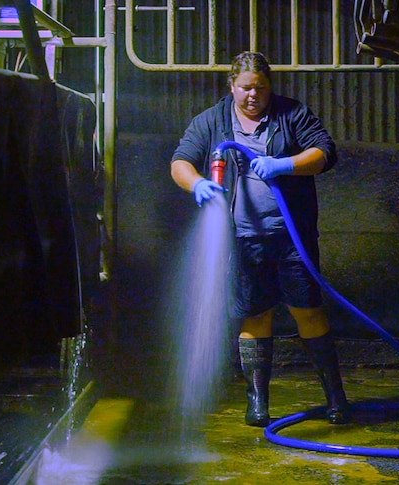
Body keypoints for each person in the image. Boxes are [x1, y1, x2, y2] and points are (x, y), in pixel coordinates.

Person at [169, 51, 349, 427]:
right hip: (244, 239)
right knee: (254, 315)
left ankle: (336, 399)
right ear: (232, 87)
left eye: (261, 87)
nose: (254, 95)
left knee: (309, 311)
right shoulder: (212, 120)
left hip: (291, 237)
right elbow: (181, 161)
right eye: (246, 88)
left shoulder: (292, 113)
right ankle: (258, 403)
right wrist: (197, 183)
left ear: (270, 87)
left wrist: (285, 164)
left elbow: (324, 152)